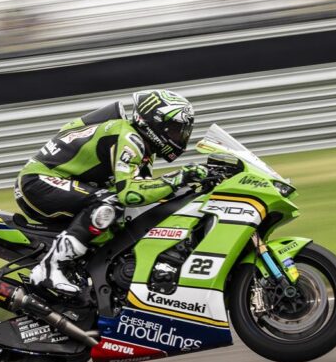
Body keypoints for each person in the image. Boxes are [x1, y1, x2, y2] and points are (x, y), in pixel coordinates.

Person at [15, 89, 206, 296]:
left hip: (63, 184)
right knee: (107, 204)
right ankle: (50, 269)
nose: (180, 137)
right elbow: (130, 194)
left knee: (121, 217)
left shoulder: (142, 148)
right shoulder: (128, 137)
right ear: (156, 123)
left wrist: (188, 187)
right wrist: (179, 178)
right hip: (37, 181)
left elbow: (144, 193)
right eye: (176, 130)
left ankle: (91, 277)